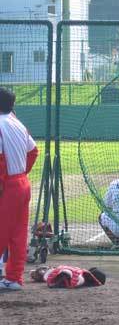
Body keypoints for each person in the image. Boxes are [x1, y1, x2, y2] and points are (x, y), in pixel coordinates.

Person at [0, 87, 39, 290]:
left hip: (7, 185)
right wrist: (21, 173)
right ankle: (13, 278)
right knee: (17, 234)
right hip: (22, 184)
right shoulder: (17, 123)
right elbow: (33, 152)